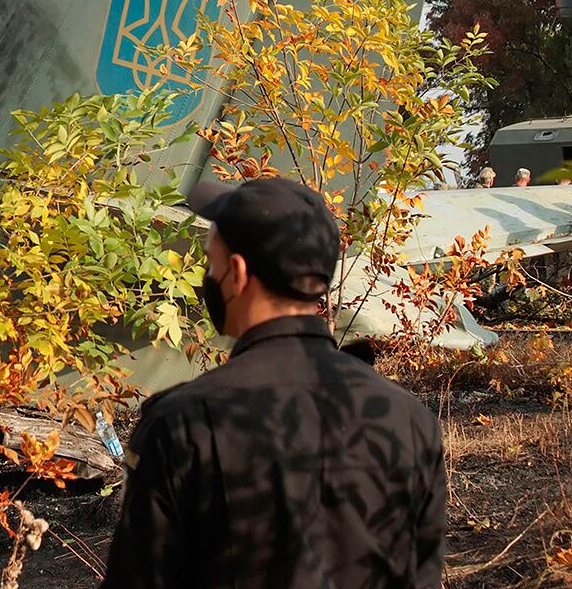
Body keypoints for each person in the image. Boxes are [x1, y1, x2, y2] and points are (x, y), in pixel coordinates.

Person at [101, 177, 446, 589]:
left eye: (211, 264)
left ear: (238, 273)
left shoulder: (180, 424)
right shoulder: (411, 419)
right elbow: (422, 573)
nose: (209, 278)